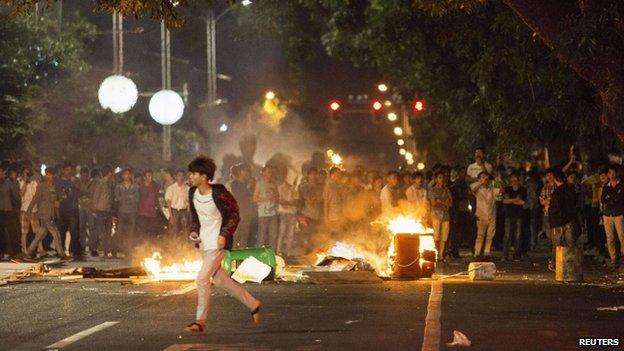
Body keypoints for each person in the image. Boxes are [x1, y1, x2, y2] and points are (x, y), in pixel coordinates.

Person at [185, 156, 262, 333]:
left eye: (194, 173)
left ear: (204, 176)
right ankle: (253, 304)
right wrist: (194, 231)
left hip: (218, 244)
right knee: (220, 279)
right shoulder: (192, 193)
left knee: (202, 279)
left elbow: (234, 214)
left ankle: (200, 321)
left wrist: (224, 234)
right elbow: (195, 217)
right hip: (204, 242)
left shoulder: (219, 192)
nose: (191, 176)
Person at [24, 167, 66, 259]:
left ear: (53, 175)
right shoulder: (41, 186)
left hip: (52, 213)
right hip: (44, 213)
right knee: (56, 233)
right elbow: (35, 199)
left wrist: (59, 201)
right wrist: (28, 212)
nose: (47, 176)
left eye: (49, 174)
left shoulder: (56, 186)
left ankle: (30, 252)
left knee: (41, 234)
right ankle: (61, 254)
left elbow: (61, 197)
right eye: (46, 174)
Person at [547, 169, 578, 270]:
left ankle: (556, 265)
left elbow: (555, 208)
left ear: (555, 179)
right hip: (569, 220)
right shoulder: (570, 189)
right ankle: (570, 265)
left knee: (557, 245)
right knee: (570, 244)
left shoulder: (557, 192)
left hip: (558, 221)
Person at [57, 162, 82, 258]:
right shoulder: (58, 181)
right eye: (66, 170)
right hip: (62, 209)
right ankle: (60, 250)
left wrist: (75, 183)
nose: (68, 172)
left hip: (73, 209)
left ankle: (74, 250)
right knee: (61, 231)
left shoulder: (75, 180)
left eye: (70, 170)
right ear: (63, 170)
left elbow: (81, 192)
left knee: (74, 230)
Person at [601, 165, 624, 266]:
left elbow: (619, 199)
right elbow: (603, 199)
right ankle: (613, 258)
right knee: (610, 238)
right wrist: (613, 199)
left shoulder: (621, 185)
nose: (612, 175)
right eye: (610, 173)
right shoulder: (606, 186)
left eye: (614, 172)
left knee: (622, 236)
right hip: (607, 215)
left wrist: (611, 198)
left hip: (619, 214)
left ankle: (623, 256)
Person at [428, 171, 453, 262]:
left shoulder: (447, 190)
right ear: (435, 179)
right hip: (436, 215)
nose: (441, 180)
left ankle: (441, 255)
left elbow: (450, 204)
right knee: (436, 236)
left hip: (446, 216)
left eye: (443, 178)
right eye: (439, 178)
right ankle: (437, 253)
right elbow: (433, 203)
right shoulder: (432, 190)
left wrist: (440, 201)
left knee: (444, 237)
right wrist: (443, 202)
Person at [471, 171, 496, 260]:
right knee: (480, 235)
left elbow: (500, 193)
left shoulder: (491, 188)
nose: (485, 179)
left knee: (490, 235)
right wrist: (480, 183)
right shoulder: (476, 187)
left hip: (491, 214)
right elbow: (472, 190)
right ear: (479, 179)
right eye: (482, 177)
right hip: (481, 215)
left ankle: (487, 253)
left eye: (486, 177)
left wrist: (498, 181)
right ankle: (477, 253)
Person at [114, 169, 139, 257]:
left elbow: (137, 198)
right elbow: (117, 198)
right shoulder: (119, 186)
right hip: (122, 211)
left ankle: (128, 250)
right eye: (125, 174)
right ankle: (116, 249)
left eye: (129, 174)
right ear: (122, 176)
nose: (127, 176)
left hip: (132, 211)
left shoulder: (135, 186)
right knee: (119, 231)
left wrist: (124, 197)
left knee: (130, 232)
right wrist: (129, 197)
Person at [229, 163, 255, 248]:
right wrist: (248, 186)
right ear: (240, 172)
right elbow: (239, 195)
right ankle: (232, 257)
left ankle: (242, 257)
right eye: (245, 171)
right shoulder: (235, 183)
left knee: (245, 236)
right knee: (236, 235)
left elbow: (250, 198)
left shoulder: (246, 184)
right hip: (237, 214)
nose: (248, 173)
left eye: (248, 171)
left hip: (246, 214)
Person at [502, 172, 526, 261]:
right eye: (512, 178)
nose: (514, 181)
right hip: (509, 215)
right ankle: (505, 255)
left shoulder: (522, 190)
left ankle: (516, 255)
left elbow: (523, 202)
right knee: (507, 235)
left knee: (518, 236)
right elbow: (505, 201)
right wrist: (516, 199)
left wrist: (510, 200)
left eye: (515, 178)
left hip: (519, 215)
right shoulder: (507, 189)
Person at [91, 165, 114, 257]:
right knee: (102, 230)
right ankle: (101, 248)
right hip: (100, 209)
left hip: (108, 209)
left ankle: (106, 249)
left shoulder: (111, 183)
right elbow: (96, 195)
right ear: (109, 173)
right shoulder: (101, 183)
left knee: (108, 230)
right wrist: (94, 207)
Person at [253, 165, 279, 248]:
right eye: (268, 172)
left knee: (273, 236)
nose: (270, 174)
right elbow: (254, 199)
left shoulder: (274, 183)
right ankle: (258, 257)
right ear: (263, 173)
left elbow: (277, 196)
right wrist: (267, 198)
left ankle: (272, 256)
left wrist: (275, 199)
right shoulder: (259, 183)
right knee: (262, 236)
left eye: (271, 172)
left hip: (273, 213)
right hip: (263, 214)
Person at [19, 168, 43, 254]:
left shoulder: (34, 183)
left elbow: (37, 195)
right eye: (26, 174)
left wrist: (35, 181)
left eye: (28, 174)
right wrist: (25, 182)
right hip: (25, 209)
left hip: (33, 210)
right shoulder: (22, 182)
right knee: (24, 232)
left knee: (37, 231)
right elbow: (21, 193)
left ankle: (40, 249)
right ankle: (24, 250)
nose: (27, 176)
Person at [165, 170, 190, 238]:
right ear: (176, 177)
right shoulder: (171, 188)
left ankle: (185, 245)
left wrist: (188, 213)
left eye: (182, 176)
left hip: (183, 211)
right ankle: (173, 245)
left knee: (185, 230)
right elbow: (168, 202)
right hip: (174, 211)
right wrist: (171, 216)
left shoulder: (187, 188)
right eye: (179, 175)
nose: (181, 177)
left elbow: (189, 202)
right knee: (174, 230)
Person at [277, 175, 298, 256]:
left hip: (292, 213)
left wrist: (290, 203)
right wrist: (290, 203)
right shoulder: (280, 187)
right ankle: (279, 250)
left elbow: (296, 201)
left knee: (291, 233)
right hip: (283, 212)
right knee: (282, 232)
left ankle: (288, 251)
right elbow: (280, 201)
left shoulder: (294, 189)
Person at [138, 170, 161, 239]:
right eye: (148, 176)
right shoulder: (140, 187)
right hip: (142, 213)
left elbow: (156, 199)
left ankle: (150, 246)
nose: (150, 177)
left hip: (152, 213)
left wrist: (158, 208)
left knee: (152, 232)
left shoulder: (155, 187)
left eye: (151, 176)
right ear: (144, 177)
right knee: (143, 232)